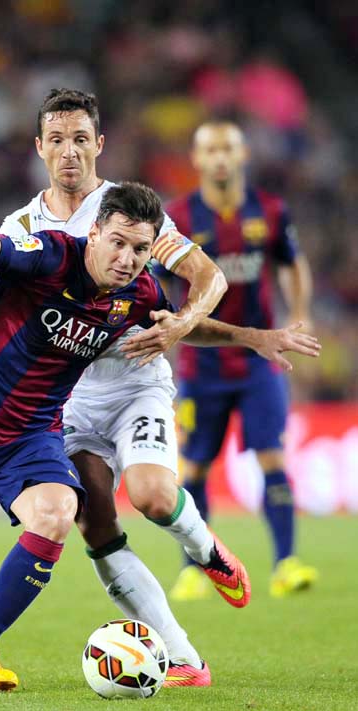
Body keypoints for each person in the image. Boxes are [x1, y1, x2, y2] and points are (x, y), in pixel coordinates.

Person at [0, 90, 320, 687]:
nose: (69, 152)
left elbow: (203, 277)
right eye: (57, 140)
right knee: (96, 525)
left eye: (81, 139)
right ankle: (186, 660)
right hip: (67, 398)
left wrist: (183, 323)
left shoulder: (129, 213)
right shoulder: (22, 226)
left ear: (98, 145)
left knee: (153, 496)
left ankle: (207, 552)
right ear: (40, 149)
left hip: (136, 383)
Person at [165, 121, 319, 602]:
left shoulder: (270, 211)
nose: (220, 158)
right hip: (201, 364)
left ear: (243, 152)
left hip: (259, 361)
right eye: (210, 149)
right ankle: (195, 568)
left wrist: (299, 313)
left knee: (273, 455)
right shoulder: (179, 216)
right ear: (197, 158)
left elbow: (292, 262)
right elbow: (157, 275)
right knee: (193, 467)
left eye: (228, 148)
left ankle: (285, 563)